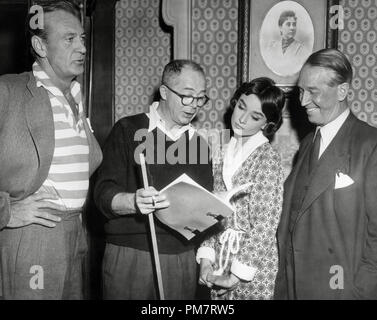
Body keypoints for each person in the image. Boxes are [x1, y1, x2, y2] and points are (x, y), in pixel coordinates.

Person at [0, 1, 102, 299]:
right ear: (40, 46)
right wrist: (6, 211)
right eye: (69, 39)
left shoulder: (75, 95)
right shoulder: (9, 92)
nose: (82, 48)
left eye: (82, 38)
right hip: (34, 236)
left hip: (74, 234)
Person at [94, 59, 213, 300]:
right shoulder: (128, 129)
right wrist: (132, 201)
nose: (194, 106)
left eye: (200, 98)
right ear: (164, 92)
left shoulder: (199, 144)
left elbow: (205, 210)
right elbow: (102, 192)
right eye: (187, 96)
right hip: (131, 254)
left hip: (180, 257)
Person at [274, 48, 377, 299]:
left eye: (313, 92)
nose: (302, 101)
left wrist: (359, 293)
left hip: (338, 289)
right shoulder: (309, 141)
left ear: (342, 91)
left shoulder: (370, 144)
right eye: (301, 91)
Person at [197, 78, 285, 300]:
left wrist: (236, 275)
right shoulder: (222, 151)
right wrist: (207, 259)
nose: (242, 119)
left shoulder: (267, 158)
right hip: (220, 260)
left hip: (253, 268)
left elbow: (265, 226)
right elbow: (212, 213)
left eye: (255, 117)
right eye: (241, 107)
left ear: (267, 124)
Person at [264, 10, 311, 76]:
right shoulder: (271, 48)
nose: (292, 28)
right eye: (288, 24)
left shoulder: (303, 50)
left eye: (294, 24)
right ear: (280, 27)